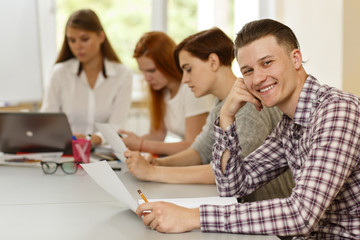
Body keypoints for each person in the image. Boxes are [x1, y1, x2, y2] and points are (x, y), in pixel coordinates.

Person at [135, 19, 360, 239]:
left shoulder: (338, 111)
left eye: (267, 63)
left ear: (295, 58)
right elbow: (233, 185)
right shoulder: (289, 124)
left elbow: (300, 214)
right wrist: (226, 118)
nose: (259, 78)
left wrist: (194, 217)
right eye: (248, 70)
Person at [125, 28, 293, 202]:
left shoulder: (251, 104)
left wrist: (154, 172)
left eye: (188, 69)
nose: (184, 79)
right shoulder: (220, 103)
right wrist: (159, 163)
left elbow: (229, 172)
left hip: (269, 210)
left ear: (213, 61)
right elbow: (200, 150)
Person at [41, 9, 132, 146]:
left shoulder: (123, 74)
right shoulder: (59, 73)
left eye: (84, 39)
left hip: (104, 153)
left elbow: (117, 124)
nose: (78, 46)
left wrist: (93, 139)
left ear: (101, 37)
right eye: (72, 40)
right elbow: (48, 119)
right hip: (67, 151)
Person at [119, 32, 213, 156]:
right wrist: (130, 142)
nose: (147, 78)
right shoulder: (162, 91)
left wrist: (141, 144)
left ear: (168, 62)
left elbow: (193, 145)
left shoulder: (191, 89)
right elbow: (157, 135)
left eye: (151, 71)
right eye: (143, 71)